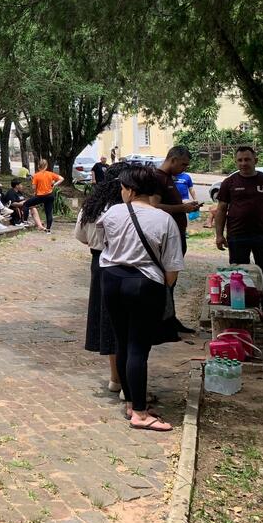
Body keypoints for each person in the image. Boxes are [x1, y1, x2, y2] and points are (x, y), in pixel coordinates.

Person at [98, 165, 184, 431]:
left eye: (122, 188)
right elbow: (172, 268)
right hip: (144, 284)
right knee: (138, 347)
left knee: (123, 342)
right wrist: (162, 291)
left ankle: (131, 403)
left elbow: (100, 242)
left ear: (131, 190)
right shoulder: (163, 220)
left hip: (111, 279)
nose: (121, 192)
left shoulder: (112, 212)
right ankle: (140, 413)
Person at [214, 146, 263, 324]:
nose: (243, 163)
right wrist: (219, 235)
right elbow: (221, 209)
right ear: (236, 162)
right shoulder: (229, 182)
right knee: (238, 274)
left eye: (247, 159)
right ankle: (242, 310)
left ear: (256, 160)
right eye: (240, 160)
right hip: (237, 236)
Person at [74, 163, 129, 395]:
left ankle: (115, 378)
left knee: (108, 322)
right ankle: (128, 383)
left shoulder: (92, 206)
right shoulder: (126, 209)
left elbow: (81, 236)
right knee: (126, 323)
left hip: (98, 264)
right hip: (124, 265)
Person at [151, 146, 201, 336]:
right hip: (167, 237)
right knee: (166, 280)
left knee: (172, 281)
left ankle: (170, 318)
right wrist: (182, 209)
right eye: (183, 164)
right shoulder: (157, 177)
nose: (184, 169)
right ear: (172, 159)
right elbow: (154, 206)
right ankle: (163, 322)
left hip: (177, 234)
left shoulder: (169, 178)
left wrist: (184, 207)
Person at [23, 159, 63, 232]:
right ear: (46, 166)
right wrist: (54, 184)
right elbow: (61, 179)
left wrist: (36, 187)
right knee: (49, 212)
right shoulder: (50, 174)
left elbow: (33, 187)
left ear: (38, 166)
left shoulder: (36, 175)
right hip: (50, 195)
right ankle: (48, 229)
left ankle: (25, 222)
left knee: (26, 204)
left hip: (40, 196)